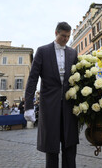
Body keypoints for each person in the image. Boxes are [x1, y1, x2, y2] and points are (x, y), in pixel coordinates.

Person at [24, 22, 79, 168]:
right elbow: (32, 79)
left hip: (69, 108)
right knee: (51, 148)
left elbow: (78, 78)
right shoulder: (42, 51)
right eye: (63, 36)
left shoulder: (73, 53)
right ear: (56, 33)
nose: (65, 39)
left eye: (68, 37)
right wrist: (28, 106)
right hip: (50, 107)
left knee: (70, 147)